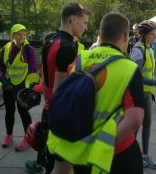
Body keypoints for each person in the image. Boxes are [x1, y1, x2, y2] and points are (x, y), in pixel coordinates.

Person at [48, 12, 145, 174]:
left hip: (80, 151)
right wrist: (102, 146)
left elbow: (61, 94)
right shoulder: (129, 68)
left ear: (100, 35)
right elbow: (135, 120)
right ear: (125, 36)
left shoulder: (79, 60)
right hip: (118, 154)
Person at [25, 1, 91, 174]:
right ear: (72, 19)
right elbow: (60, 90)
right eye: (84, 22)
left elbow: (46, 79)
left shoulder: (51, 40)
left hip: (49, 109)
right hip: (60, 113)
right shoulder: (67, 47)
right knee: (59, 165)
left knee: (52, 162)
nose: (85, 27)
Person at [130, 20, 156, 169]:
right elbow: (135, 77)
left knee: (147, 124)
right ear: (144, 35)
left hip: (147, 94)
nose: (154, 37)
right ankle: (131, 157)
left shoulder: (149, 48)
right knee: (135, 127)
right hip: (137, 95)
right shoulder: (138, 50)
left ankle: (144, 156)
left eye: (155, 34)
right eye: (152, 35)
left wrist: (153, 90)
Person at [0, 24, 37, 151]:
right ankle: (9, 135)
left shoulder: (28, 49)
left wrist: (28, 87)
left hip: (22, 87)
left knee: (23, 113)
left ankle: (28, 138)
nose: (22, 37)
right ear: (13, 35)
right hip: (8, 86)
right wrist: (3, 81)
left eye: (24, 34)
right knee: (9, 112)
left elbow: (33, 69)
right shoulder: (6, 48)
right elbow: (2, 67)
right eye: (19, 34)